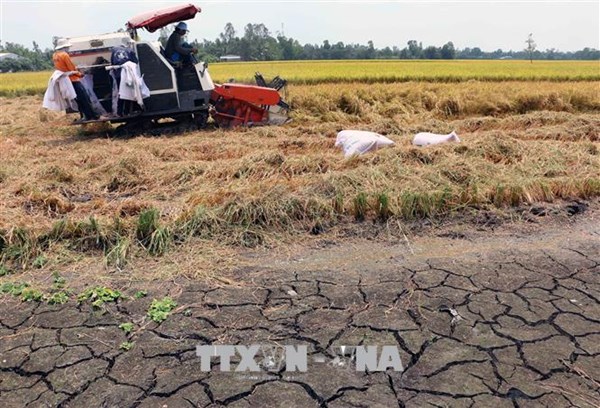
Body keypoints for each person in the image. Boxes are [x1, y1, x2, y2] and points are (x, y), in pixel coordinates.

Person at [52, 38, 98, 121]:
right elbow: (71, 68)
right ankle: (93, 116)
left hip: (65, 82)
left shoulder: (55, 56)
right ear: (64, 47)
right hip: (73, 80)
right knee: (85, 98)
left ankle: (84, 116)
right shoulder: (64, 55)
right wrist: (80, 74)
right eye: (68, 47)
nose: (68, 49)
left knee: (78, 99)